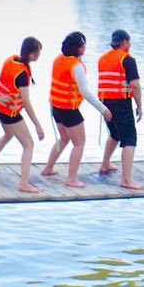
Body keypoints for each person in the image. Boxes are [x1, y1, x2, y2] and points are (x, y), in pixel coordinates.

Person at [40, 31, 109, 187]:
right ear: (78, 48)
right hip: (69, 110)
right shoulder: (76, 66)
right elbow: (84, 91)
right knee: (79, 143)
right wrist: (102, 108)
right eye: (83, 44)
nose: (85, 47)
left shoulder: (58, 59)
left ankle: (48, 168)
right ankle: (71, 179)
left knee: (64, 138)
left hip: (55, 107)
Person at [0, 37, 47, 193]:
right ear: (31, 54)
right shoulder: (22, 75)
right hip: (9, 112)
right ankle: (24, 183)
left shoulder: (11, 60)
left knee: (8, 135)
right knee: (28, 144)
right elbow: (26, 102)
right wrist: (38, 125)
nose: (39, 55)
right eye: (38, 52)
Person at [94, 30, 144, 191]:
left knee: (115, 134)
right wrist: (140, 106)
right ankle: (127, 180)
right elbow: (134, 85)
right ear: (124, 43)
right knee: (129, 139)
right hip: (121, 102)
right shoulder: (128, 60)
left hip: (105, 102)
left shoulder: (103, 59)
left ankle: (105, 164)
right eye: (129, 42)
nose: (130, 45)